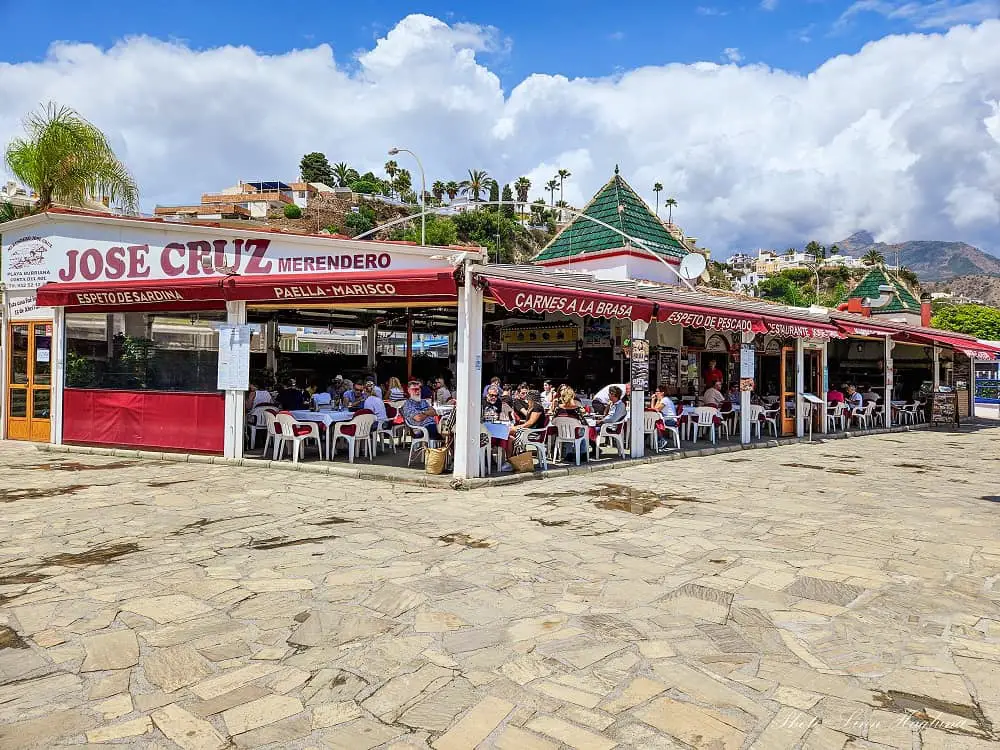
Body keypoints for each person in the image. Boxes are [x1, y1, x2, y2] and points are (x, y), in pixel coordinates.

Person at [509, 391, 547, 458]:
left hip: (534, 432)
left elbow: (530, 422)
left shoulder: (537, 407)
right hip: (529, 430)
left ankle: (514, 458)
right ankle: (513, 458)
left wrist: (517, 427)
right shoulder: (532, 406)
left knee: (508, 432)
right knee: (509, 437)